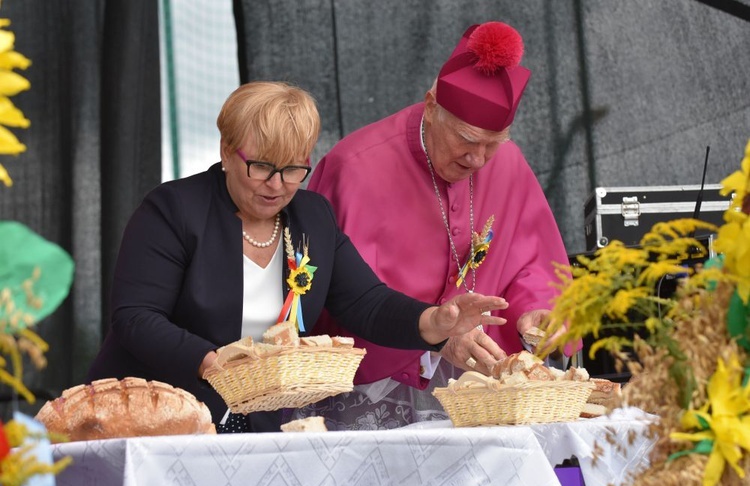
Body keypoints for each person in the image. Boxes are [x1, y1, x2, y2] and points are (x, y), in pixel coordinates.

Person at [86, 81, 508, 433]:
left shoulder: (311, 217)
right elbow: (136, 318)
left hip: (255, 421)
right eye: (261, 167)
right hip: (153, 414)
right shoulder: (172, 210)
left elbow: (367, 303)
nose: (276, 185)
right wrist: (221, 365)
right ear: (226, 150)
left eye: (293, 169)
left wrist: (435, 321)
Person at [295, 21, 572, 429]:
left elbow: (532, 263)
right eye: (466, 139)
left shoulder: (509, 165)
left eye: (493, 144)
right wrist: (436, 334)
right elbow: (340, 299)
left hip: (482, 385)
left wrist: (536, 313)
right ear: (430, 107)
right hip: (375, 386)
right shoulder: (355, 166)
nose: (478, 159)